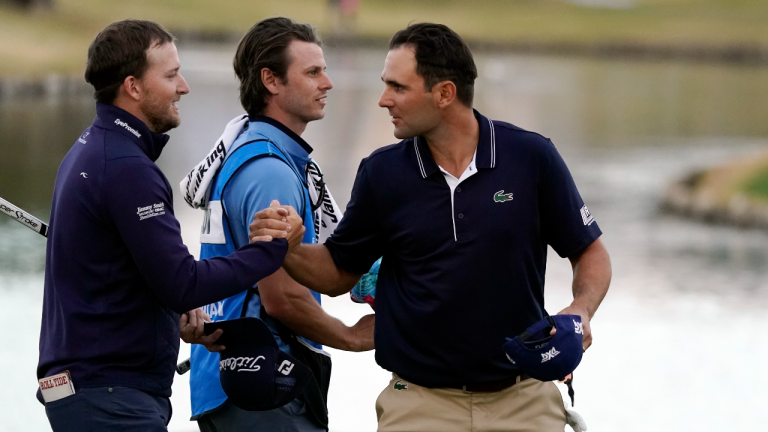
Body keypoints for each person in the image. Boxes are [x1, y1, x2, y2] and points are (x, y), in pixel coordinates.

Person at [252, 23, 612, 432]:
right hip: (419, 406)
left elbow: (590, 251)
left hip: (525, 400)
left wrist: (580, 311)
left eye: (398, 87)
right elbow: (336, 274)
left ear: (444, 94)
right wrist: (293, 248)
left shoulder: (531, 157)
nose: (383, 100)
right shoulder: (381, 173)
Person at [36, 19, 303, 432]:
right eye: (172, 75)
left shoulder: (92, 148)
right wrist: (270, 249)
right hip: (111, 398)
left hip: (91, 392)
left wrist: (167, 315)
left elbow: (130, 278)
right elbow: (184, 283)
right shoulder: (127, 168)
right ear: (134, 87)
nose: (184, 87)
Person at [181, 17, 374, 432]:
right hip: (265, 381)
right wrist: (351, 337)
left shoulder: (246, 149)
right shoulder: (270, 170)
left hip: (234, 380)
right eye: (312, 72)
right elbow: (281, 297)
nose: (328, 83)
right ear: (271, 80)